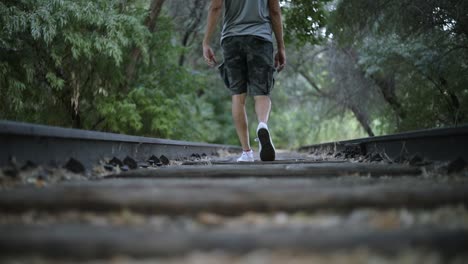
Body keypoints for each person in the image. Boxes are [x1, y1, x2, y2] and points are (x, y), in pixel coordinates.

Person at [203, 0, 286, 162]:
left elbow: (215, 7)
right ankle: (262, 124)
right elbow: (275, 10)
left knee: (238, 96)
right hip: (260, 38)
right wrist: (281, 46)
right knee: (262, 93)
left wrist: (206, 41)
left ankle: (247, 152)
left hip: (231, 39)